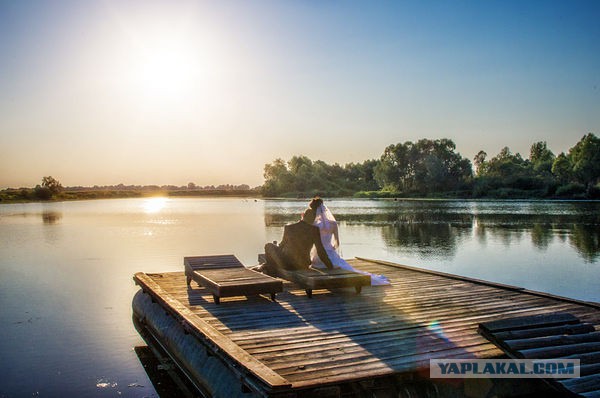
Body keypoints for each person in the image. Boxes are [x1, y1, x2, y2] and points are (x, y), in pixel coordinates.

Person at [309, 197, 390, 286]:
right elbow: (337, 243)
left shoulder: (314, 225)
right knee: (345, 267)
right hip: (330, 254)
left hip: (317, 258)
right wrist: (331, 249)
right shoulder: (333, 224)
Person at [259, 206, 335, 276]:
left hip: (287, 264)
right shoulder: (314, 230)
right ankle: (268, 266)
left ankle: (270, 269)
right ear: (314, 218)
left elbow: (281, 246)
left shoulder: (289, 228)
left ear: (302, 215)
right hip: (303, 264)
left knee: (268, 246)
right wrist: (330, 266)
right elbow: (321, 251)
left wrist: (276, 251)